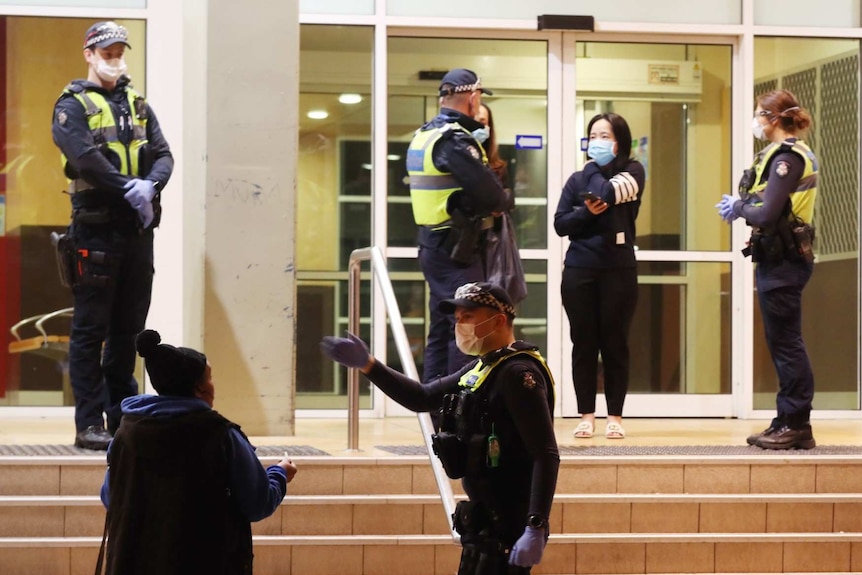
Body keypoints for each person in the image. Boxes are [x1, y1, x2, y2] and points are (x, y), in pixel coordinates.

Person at [321, 281, 559, 575]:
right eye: (458, 318)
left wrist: (536, 525)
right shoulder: (483, 366)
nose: (460, 325)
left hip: (510, 523)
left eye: (468, 317)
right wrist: (369, 365)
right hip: (485, 520)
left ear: (498, 320)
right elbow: (421, 397)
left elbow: (545, 454)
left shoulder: (519, 374)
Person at [52, 21, 174, 450]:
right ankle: (89, 424)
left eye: (119, 51)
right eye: (106, 52)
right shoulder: (72, 106)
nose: (114, 58)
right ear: (89, 54)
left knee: (128, 331)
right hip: (95, 234)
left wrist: (152, 185)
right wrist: (128, 187)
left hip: (138, 234)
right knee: (90, 331)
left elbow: (163, 154)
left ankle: (122, 419)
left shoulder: (139, 105)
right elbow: (84, 159)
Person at [100, 329, 297, 575]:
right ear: (200, 388)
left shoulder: (125, 434)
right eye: (210, 377)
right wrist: (280, 473)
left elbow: (110, 497)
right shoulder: (222, 435)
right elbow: (257, 503)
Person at [716, 89, 819, 450]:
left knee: (787, 344)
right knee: (781, 342)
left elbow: (767, 212)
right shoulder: (777, 155)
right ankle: (785, 420)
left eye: (760, 113)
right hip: (777, 259)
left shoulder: (787, 158)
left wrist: (740, 208)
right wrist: (747, 208)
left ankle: (796, 423)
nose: (756, 120)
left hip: (785, 263)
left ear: (774, 118)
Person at [407, 68, 512, 384]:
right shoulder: (454, 141)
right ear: (472, 97)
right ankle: (456, 411)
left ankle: (436, 410)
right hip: (456, 251)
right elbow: (495, 197)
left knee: (442, 328)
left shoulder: (425, 135)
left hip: (435, 244)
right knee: (467, 329)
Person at [553, 113, 645, 440]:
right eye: (593, 135)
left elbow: (605, 193)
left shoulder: (633, 172)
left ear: (619, 141)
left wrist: (591, 169)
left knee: (615, 343)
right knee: (584, 343)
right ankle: (587, 415)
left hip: (618, 270)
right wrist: (583, 213)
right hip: (580, 270)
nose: (597, 141)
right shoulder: (576, 180)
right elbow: (561, 224)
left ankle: (615, 417)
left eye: (605, 135)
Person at [474, 102, 509, 188]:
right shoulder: (455, 160)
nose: (476, 126)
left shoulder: (499, 168)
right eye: (472, 122)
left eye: (482, 123)